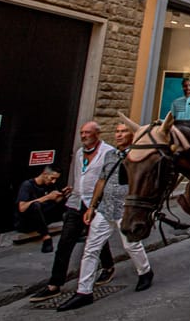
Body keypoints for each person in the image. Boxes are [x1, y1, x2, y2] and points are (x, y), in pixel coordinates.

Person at [56, 122, 154, 311]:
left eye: (123, 131)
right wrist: (92, 206)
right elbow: (102, 180)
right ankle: (84, 291)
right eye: (116, 131)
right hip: (104, 208)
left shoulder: (139, 156)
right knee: (91, 248)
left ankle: (145, 272)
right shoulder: (110, 155)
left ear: (132, 135)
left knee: (131, 245)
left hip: (125, 209)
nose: (118, 135)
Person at [29, 122, 116, 303]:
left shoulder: (109, 152)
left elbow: (109, 179)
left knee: (96, 240)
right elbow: (79, 175)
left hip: (98, 203)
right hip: (77, 203)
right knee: (65, 243)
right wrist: (72, 191)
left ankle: (107, 267)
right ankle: (55, 284)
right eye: (82, 132)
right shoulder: (79, 152)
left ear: (97, 134)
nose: (83, 136)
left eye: (87, 133)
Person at [14, 166, 71, 253]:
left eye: (55, 179)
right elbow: (22, 208)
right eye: (52, 178)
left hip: (42, 219)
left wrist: (62, 196)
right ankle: (46, 237)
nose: (53, 181)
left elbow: (54, 203)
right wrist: (47, 197)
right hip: (26, 222)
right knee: (36, 205)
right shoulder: (28, 185)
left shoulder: (50, 185)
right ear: (44, 174)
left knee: (63, 203)